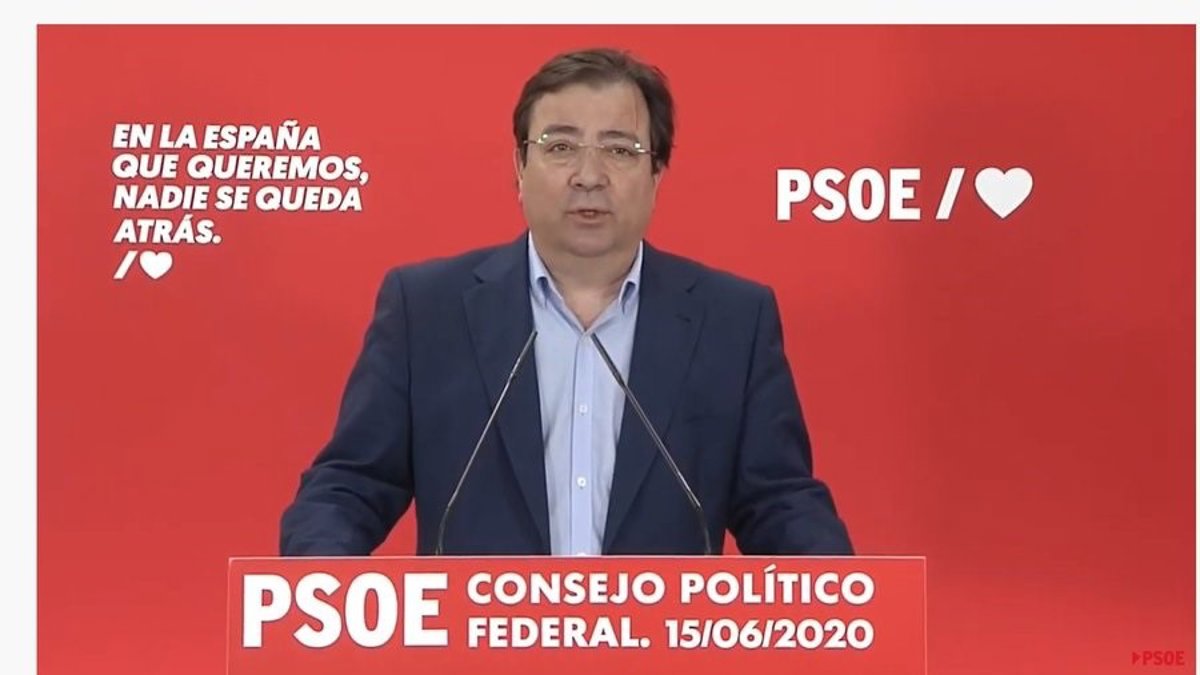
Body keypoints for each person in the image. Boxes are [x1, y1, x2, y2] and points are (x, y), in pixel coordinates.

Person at [279, 47, 853, 557]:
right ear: (519, 168)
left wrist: (847, 604)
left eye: (620, 150)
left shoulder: (732, 320)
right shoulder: (428, 310)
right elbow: (350, 487)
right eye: (560, 147)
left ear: (657, 173)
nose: (588, 175)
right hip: (479, 636)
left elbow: (779, 503)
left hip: (658, 637)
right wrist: (317, 584)